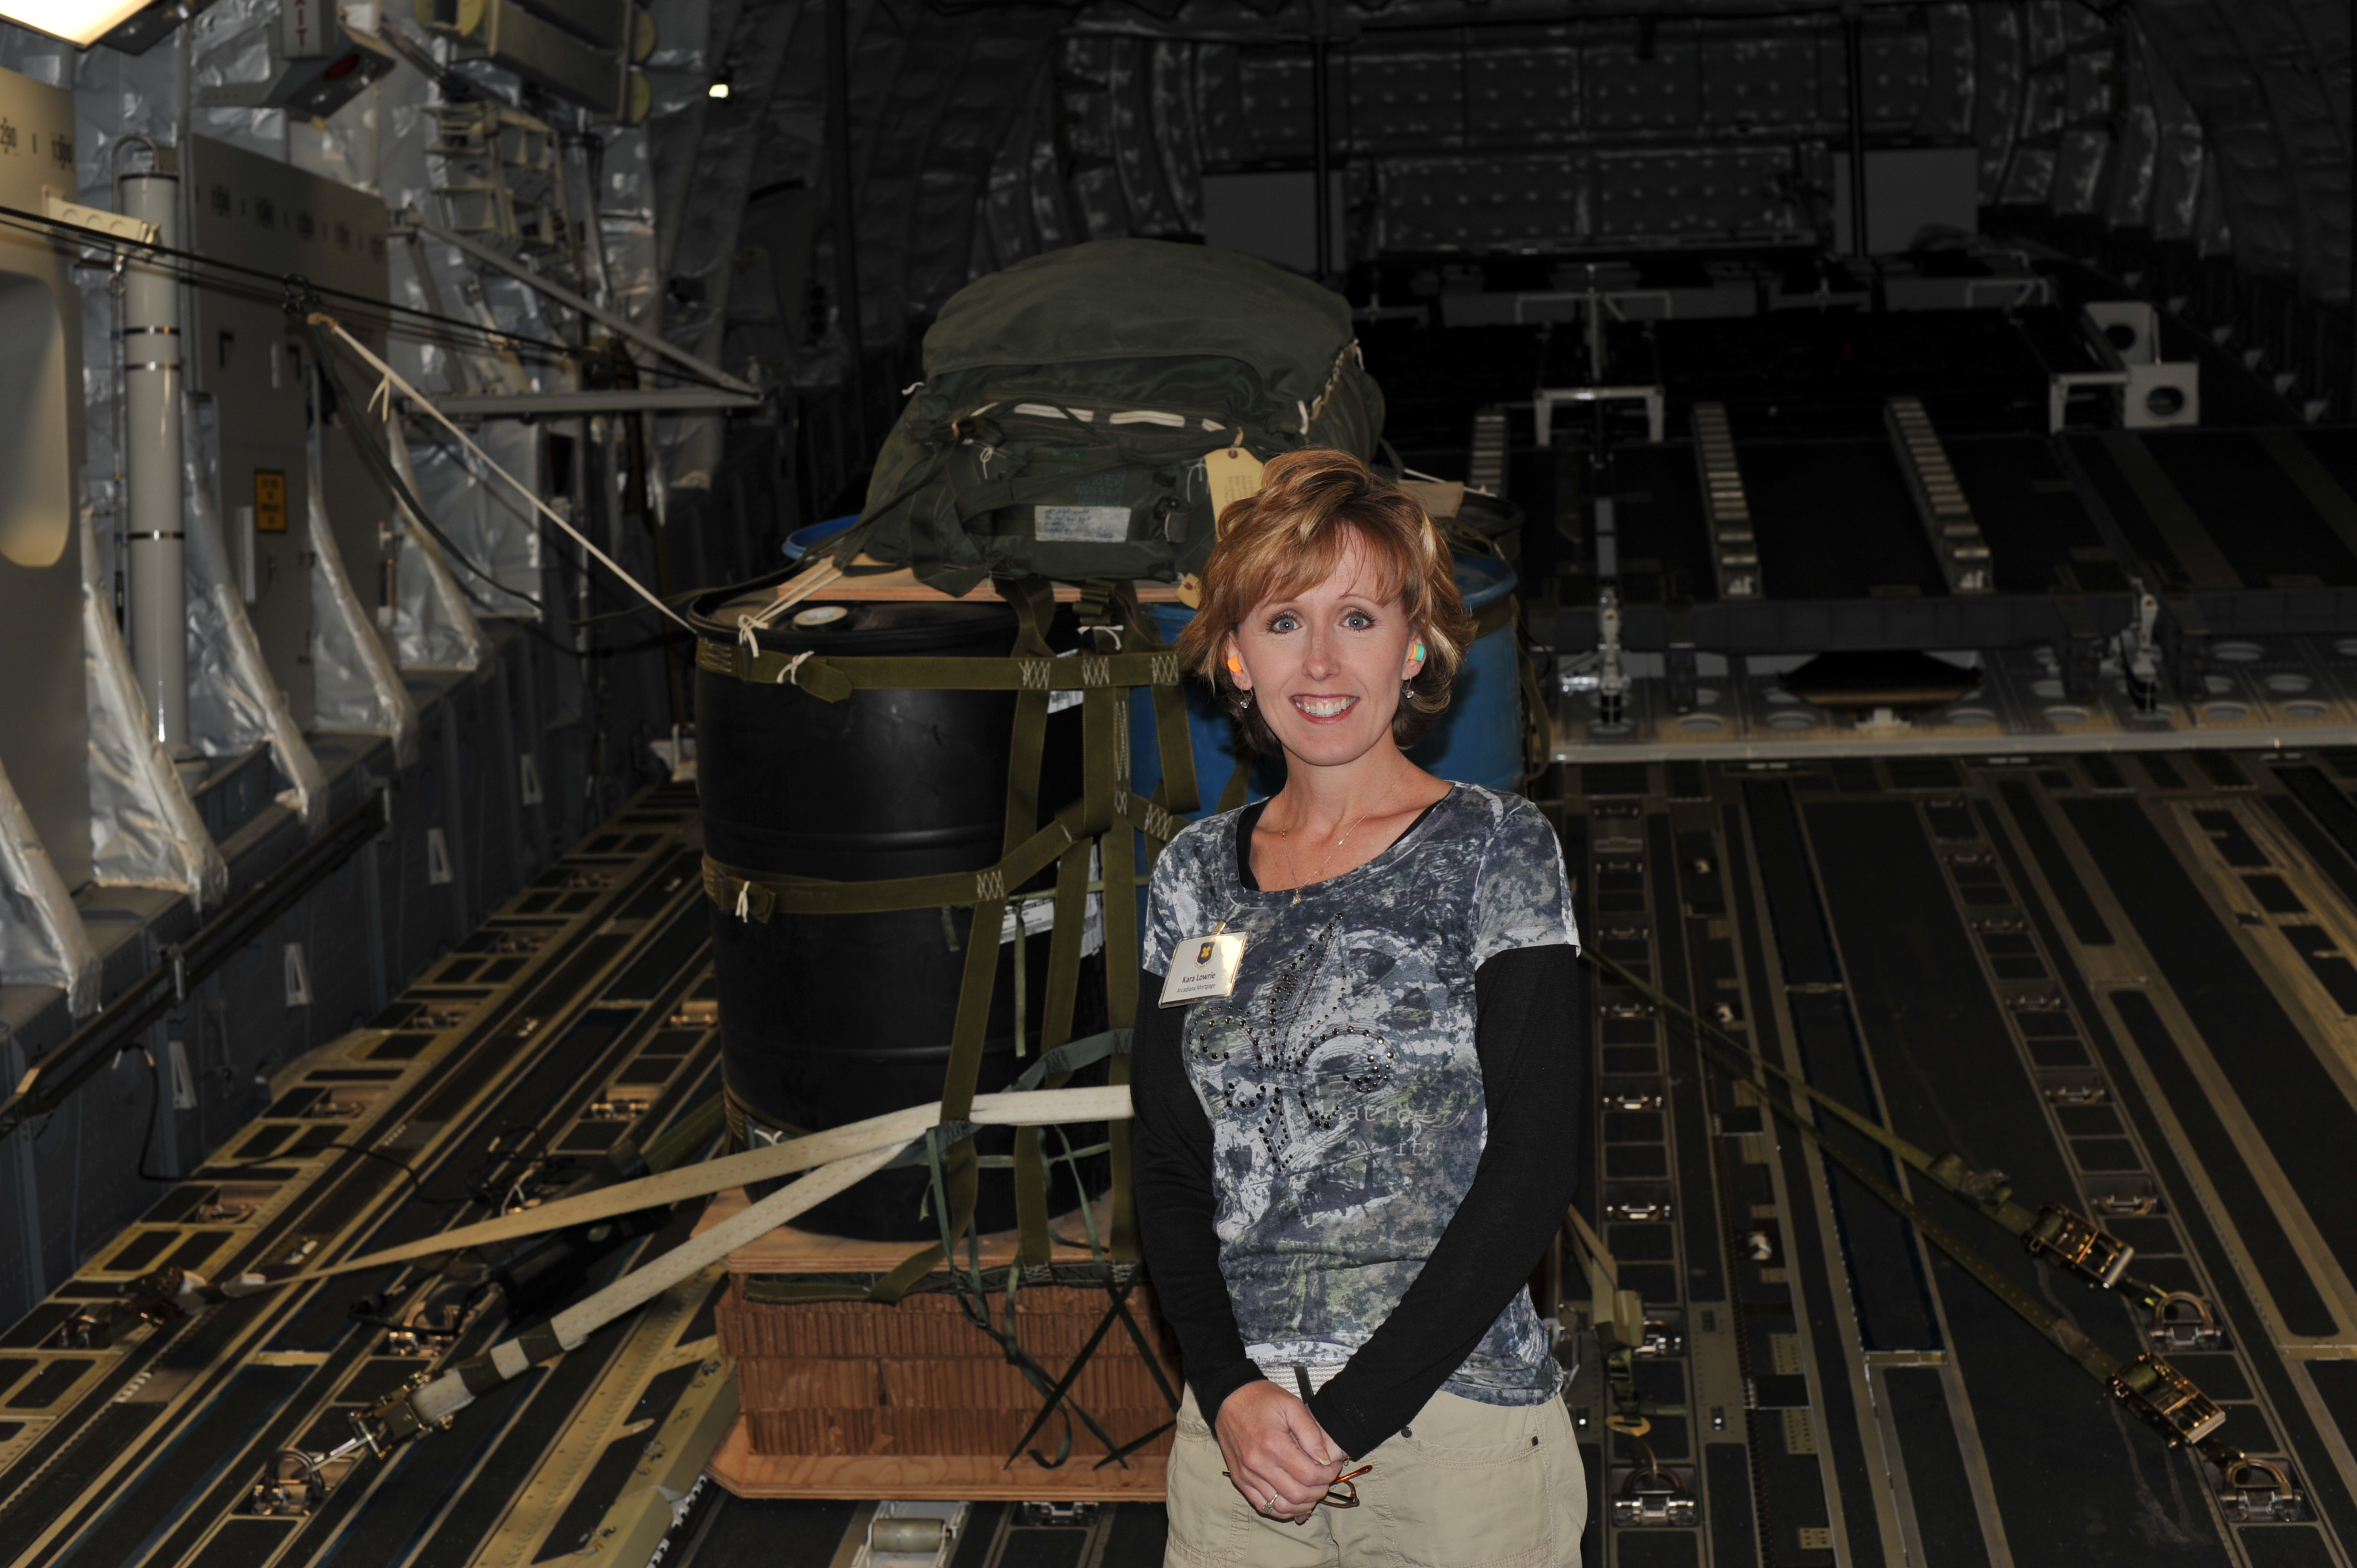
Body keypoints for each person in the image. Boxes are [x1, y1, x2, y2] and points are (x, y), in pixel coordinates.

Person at [1131, 448, 1588, 1566]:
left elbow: (1532, 1166)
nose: (1321, 661)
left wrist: (1344, 1418)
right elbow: (1165, 1165)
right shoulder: (1192, 875)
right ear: (1234, 658)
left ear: (1417, 644)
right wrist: (1228, 1390)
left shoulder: (1496, 851)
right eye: (1283, 622)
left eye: (1359, 618)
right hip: (1239, 1447)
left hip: (1456, 1438)